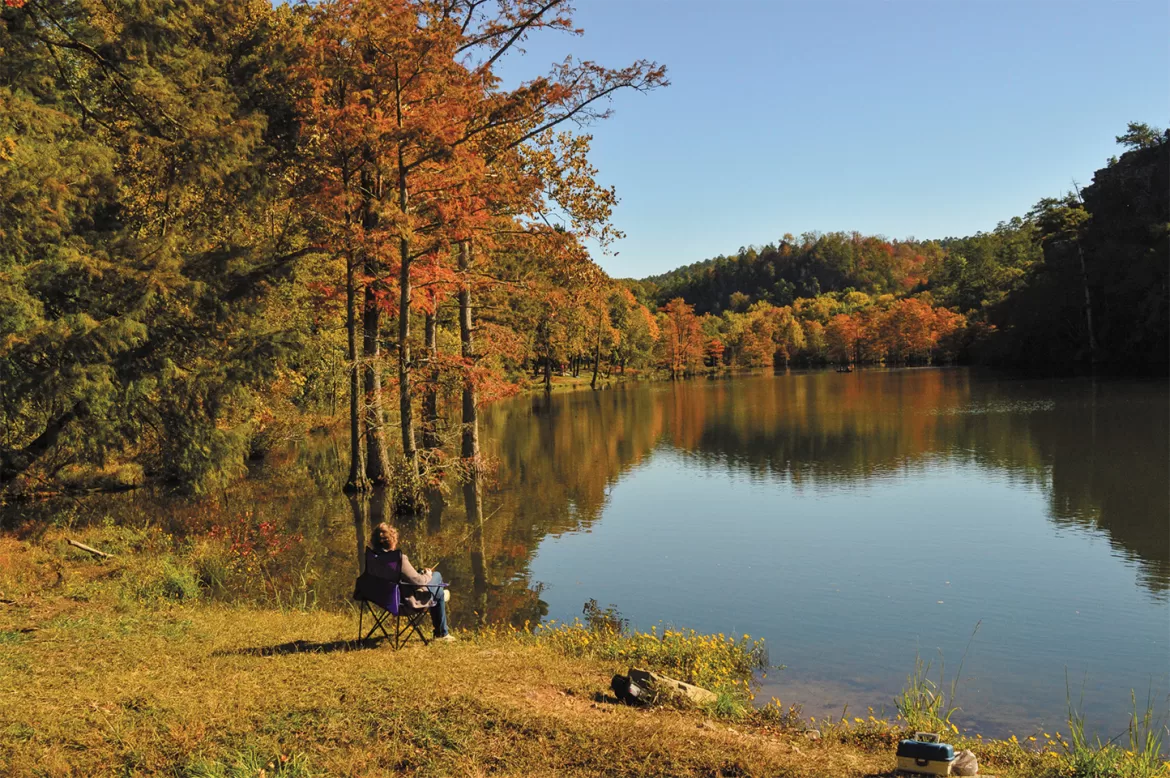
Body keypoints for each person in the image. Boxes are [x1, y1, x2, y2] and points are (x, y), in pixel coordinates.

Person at [370, 522, 453, 642]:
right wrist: (428, 574)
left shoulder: (373, 557)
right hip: (404, 603)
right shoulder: (398, 559)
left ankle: (442, 629)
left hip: (382, 599)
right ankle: (441, 633)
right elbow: (418, 581)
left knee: (433, 585)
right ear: (392, 540)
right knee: (437, 577)